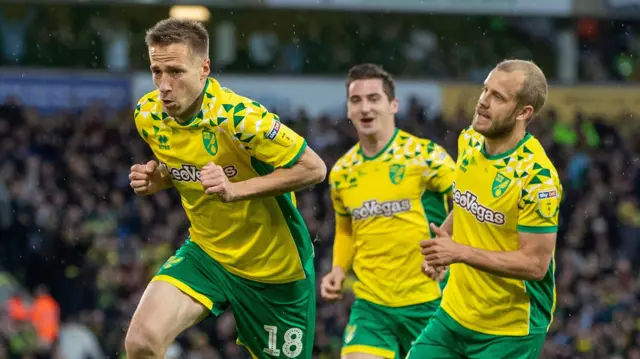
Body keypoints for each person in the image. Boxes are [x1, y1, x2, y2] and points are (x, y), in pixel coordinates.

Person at [125, 18, 327, 359]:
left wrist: (235, 189)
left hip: (274, 270)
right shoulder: (148, 115)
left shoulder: (240, 117)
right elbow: (183, 165)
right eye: (156, 71)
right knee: (142, 343)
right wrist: (160, 177)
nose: (164, 86)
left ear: (204, 68)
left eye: (175, 71)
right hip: (207, 255)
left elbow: (314, 168)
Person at [409, 59, 561, 359]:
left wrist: (459, 253)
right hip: (453, 315)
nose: (483, 102)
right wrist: (445, 243)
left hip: (509, 331)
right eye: (485, 90)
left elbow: (535, 265)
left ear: (523, 112)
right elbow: (467, 202)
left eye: (498, 97)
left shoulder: (537, 178)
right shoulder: (470, 140)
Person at [321, 63, 456, 359]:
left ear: (393, 105)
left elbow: (470, 203)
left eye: (374, 98)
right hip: (372, 307)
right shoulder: (342, 172)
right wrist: (338, 269)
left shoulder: (426, 156)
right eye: (356, 100)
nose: (365, 107)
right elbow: (346, 229)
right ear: (348, 110)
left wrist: (449, 247)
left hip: (431, 302)